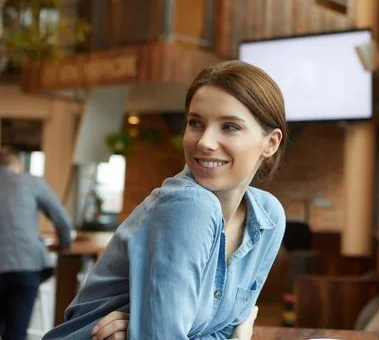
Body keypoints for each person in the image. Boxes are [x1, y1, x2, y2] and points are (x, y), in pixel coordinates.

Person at [43, 60, 287, 340]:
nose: (204, 141)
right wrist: (241, 334)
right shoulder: (188, 206)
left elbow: (220, 330)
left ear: (271, 143)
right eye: (195, 123)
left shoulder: (267, 216)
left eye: (230, 126)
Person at [0, 147, 74, 340]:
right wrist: (65, 245)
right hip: (25, 265)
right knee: (15, 333)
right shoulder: (31, 181)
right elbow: (62, 220)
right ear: (18, 165)